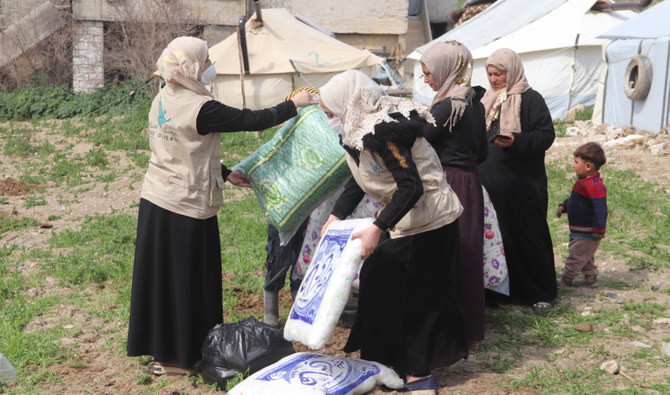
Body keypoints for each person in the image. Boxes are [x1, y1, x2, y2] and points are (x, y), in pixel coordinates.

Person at [126, 36, 315, 375]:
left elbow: (184, 147)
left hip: (156, 200)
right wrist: (294, 103)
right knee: (188, 279)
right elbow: (252, 120)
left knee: (162, 279)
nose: (211, 66)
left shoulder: (163, 97)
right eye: (207, 59)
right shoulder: (202, 107)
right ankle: (180, 359)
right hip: (186, 206)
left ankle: (163, 353)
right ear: (192, 66)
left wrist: (224, 173)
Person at [318, 70, 467, 394]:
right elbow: (358, 178)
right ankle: (387, 362)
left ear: (347, 102)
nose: (329, 116)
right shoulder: (356, 130)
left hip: (429, 220)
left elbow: (411, 186)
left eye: (330, 110)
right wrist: (336, 215)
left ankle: (419, 374)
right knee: (379, 283)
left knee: (417, 299)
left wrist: (377, 227)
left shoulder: (386, 131)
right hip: (404, 218)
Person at [478, 48, 557, 314]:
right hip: (492, 186)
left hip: (523, 184)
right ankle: (502, 291)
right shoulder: (487, 100)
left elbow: (546, 134)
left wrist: (517, 140)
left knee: (528, 234)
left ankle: (540, 291)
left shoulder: (530, 99)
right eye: (490, 74)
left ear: (511, 72)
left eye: (498, 74)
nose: (493, 79)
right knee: (498, 237)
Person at [420, 41, 488, 349]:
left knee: (444, 254)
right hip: (471, 184)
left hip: (447, 184)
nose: (426, 80)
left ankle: (446, 330)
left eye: (428, 73)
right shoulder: (474, 103)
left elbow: (420, 145)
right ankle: (471, 331)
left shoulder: (446, 106)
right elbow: (483, 152)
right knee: (468, 254)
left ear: (447, 70)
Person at [556, 142, 607, 288]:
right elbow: (575, 200)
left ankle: (567, 279)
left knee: (576, 255)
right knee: (586, 255)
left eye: (576, 162)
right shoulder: (584, 182)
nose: (573, 165)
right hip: (580, 230)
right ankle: (590, 277)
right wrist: (564, 206)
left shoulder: (594, 185)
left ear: (588, 166)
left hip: (588, 231)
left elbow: (600, 209)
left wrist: (599, 229)